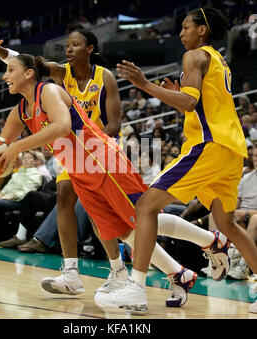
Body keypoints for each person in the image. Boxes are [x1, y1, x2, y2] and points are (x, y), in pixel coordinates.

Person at [0, 53, 229, 309]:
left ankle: (211, 239)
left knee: (141, 217)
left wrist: (16, 148)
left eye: (10, 70)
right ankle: (178, 274)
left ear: (28, 73)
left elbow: (61, 126)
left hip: (100, 157)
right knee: (121, 229)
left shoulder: (48, 90)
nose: (5, 76)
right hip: (77, 168)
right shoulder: (19, 112)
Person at [96, 6, 257, 313]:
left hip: (209, 146)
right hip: (232, 150)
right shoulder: (218, 60)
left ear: (202, 30)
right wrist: (177, 98)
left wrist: (145, 84)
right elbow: (195, 106)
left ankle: (136, 288)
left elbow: (190, 100)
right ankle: (217, 245)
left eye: (186, 27)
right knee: (228, 225)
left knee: (144, 206)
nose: (181, 32)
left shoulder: (194, 56)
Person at [0, 30, 123, 294]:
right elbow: (30, 65)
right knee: (64, 195)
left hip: (100, 148)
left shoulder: (104, 77)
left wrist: (88, 144)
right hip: (71, 150)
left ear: (90, 48)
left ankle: (124, 270)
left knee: (110, 217)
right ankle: (71, 271)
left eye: (76, 45)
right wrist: (0, 53)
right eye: (67, 45)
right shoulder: (60, 74)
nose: (69, 49)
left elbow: (116, 124)